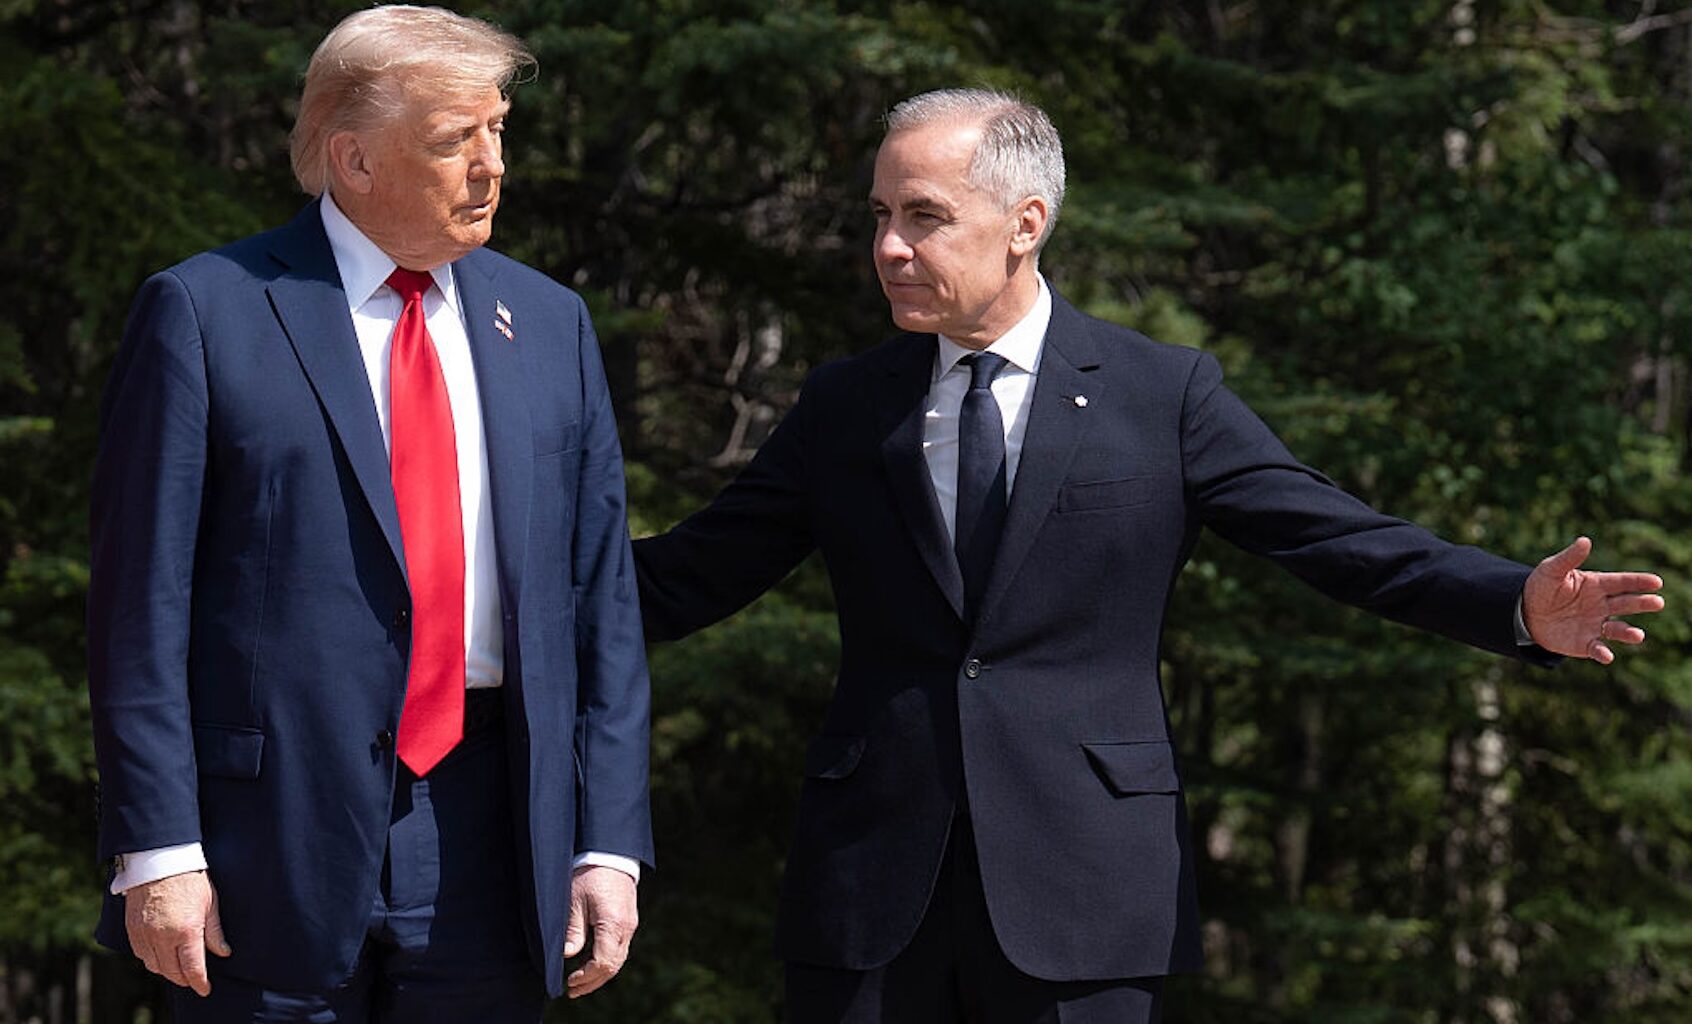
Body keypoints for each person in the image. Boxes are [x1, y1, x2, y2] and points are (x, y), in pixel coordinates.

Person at [632, 88, 1666, 1024]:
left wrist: (1513, 606)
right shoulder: (848, 404)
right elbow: (687, 576)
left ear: (1026, 224)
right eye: (881, 216)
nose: (891, 247)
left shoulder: (1159, 394)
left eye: (925, 217)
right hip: (870, 897)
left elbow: (1336, 539)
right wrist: (498, 578)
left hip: (1085, 896)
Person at [85, 6, 651, 1021]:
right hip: (266, 842)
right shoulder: (208, 311)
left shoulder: (551, 324)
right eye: (454, 140)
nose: (492, 166)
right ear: (352, 159)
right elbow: (140, 606)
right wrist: (158, 846)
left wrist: (608, 838)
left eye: (499, 133)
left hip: (498, 828)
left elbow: (599, 598)